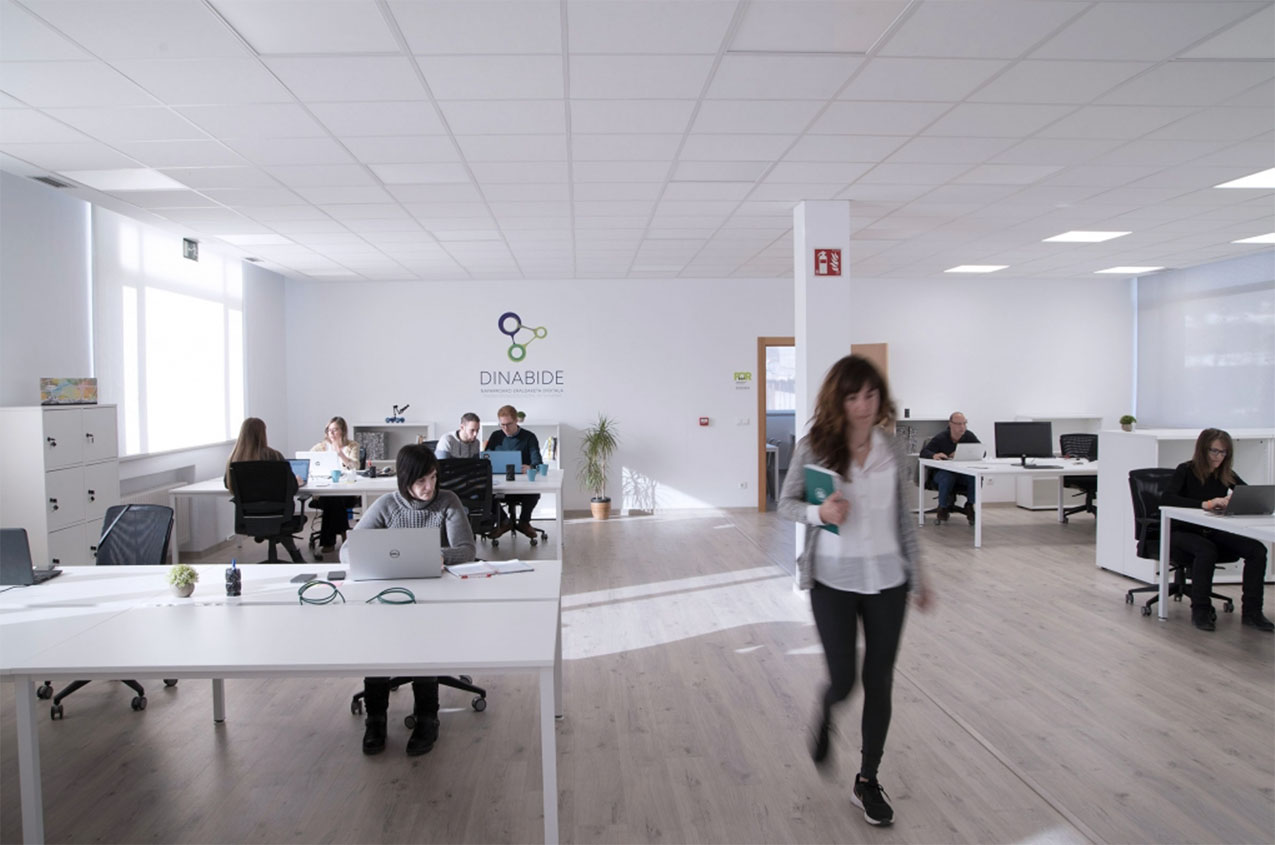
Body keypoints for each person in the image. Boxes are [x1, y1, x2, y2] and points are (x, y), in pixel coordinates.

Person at [778, 355, 931, 827]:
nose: (863, 405)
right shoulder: (815, 447)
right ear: (837, 400)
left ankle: (867, 780)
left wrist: (919, 576)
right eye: (853, 396)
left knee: (880, 679)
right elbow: (786, 503)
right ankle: (826, 710)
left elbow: (903, 518)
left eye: (871, 394)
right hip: (833, 581)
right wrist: (819, 514)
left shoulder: (892, 448)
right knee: (844, 679)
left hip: (888, 581)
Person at [354, 444, 477, 755]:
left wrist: (436, 554)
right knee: (377, 647)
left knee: (425, 642)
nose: (429, 487)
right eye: (421, 480)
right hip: (392, 596)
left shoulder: (448, 501)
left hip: (437, 595)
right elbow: (348, 551)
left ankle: (427, 717)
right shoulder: (386, 505)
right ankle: (375, 719)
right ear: (405, 479)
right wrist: (389, 555)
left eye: (433, 478)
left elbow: (466, 550)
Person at [1161, 428, 1271, 632]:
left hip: (1212, 529)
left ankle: (1252, 612)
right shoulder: (1186, 470)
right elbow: (1167, 498)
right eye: (1214, 451)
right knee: (1206, 550)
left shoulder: (1225, 474)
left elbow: (1249, 494)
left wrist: (1233, 501)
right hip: (1182, 531)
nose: (1219, 457)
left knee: (1257, 550)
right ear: (1203, 449)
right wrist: (1205, 504)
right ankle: (1201, 611)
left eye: (1224, 452)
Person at [223, 417, 305, 562]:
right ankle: (295, 554)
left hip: (249, 517)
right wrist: (297, 482)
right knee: (278, 521)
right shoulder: (274, 456)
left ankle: (295, 554)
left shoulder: (234, 459)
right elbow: (291, 488)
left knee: (275, 522)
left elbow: (228, 485)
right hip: (279, 514)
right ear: (262, 434)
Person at [484, 404, 542, 540]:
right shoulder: (496, 436)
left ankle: (524, 522)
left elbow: (537, 462)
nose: (505, 428)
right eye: (502, 425)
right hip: (500, 483)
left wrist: (531, 467)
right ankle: (504, 521)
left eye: (508, 424)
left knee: (534, 492)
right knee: (484, 494)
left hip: (523, 485)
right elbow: (486, 459)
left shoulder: (529, 437)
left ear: (516, 420)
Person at [310, 416, 360, 556]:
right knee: (331, 499)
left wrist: (340, 453)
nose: (331, 433)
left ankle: (328, 542)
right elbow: (309, 462)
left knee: (333, 500)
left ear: (343, 431)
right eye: (329, 430)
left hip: (347, 491)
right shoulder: (320, 447)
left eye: (335, 429)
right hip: (325, 489)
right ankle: (344, 532)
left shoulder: (352, 445)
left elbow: (356, 466)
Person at [919, 412, 980, 525]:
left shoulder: (969, 436)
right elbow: (924, 452)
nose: (962, 427)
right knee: (947, 477)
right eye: (959, 424)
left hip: (961, 473)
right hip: (942, 473)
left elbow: (981, 451)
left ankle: (970, 505)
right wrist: (934, 455)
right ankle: (943, 507)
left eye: (964, 423)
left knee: (974, 477)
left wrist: (963, 454)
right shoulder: (941, 437)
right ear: (950, 424)